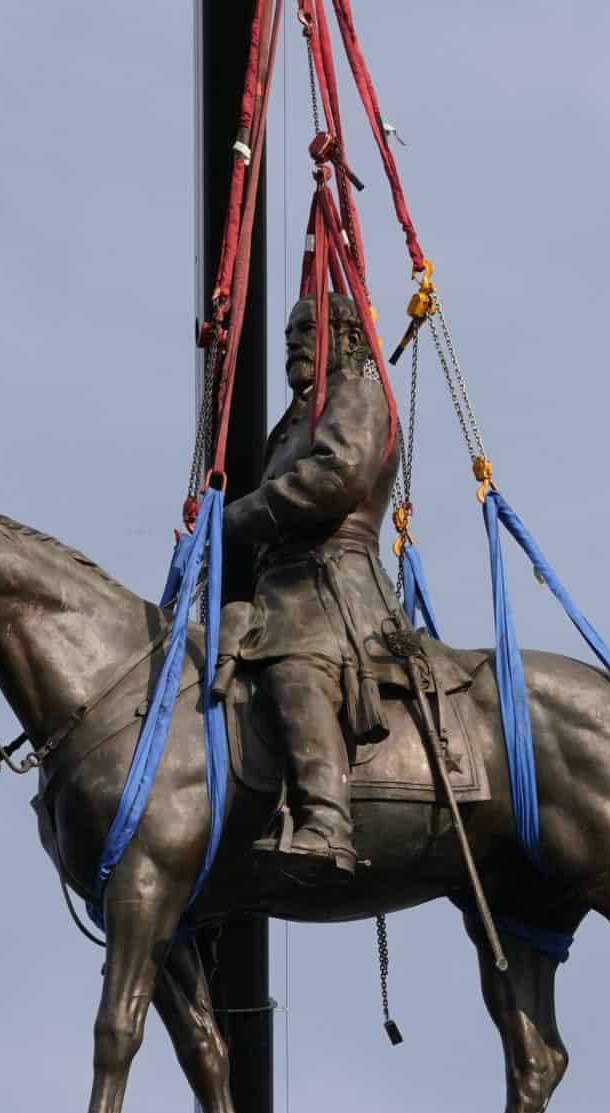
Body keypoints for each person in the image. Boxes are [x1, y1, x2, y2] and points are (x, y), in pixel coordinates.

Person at [222, 292, 404, 875]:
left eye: (307, 330)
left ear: (348, 338)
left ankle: (327, 822)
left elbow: (337, 476)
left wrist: (237, 517)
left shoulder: (356, 393)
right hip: (283, 584)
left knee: (294, 667)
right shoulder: (294, 421)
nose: (293, 342)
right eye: (289, 332)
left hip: (332, 587)